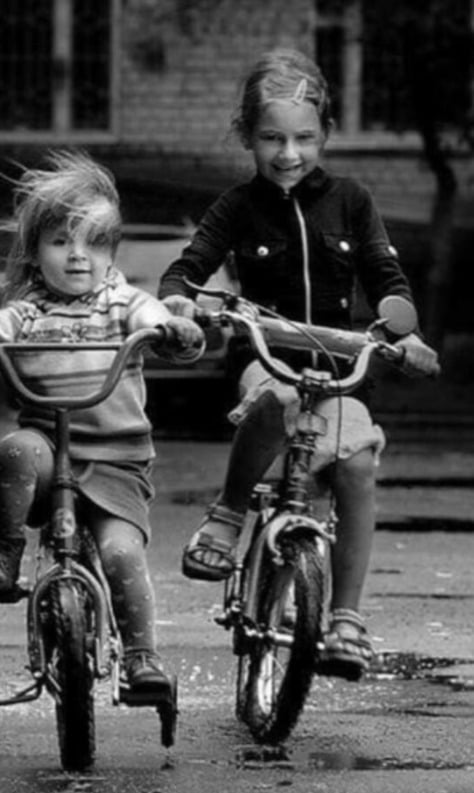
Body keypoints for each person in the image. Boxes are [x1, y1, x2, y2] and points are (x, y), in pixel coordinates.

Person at [158, 48, 439, 678]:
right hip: (268, 358)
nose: (289, 154)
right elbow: (190, 264)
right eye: (272, 138)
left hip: (341, 367)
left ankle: (346, 620)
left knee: (359, 463)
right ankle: (228, 515)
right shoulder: (236, 206)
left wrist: (405, 331)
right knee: (278, 402)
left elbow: (385, 275)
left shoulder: (351, 199)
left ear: (325, 136)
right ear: (247, 137)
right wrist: (179, 299)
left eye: (304, 139)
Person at [0, 151, 205, 694]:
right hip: (48, 452)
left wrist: (175, 333)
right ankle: (6, 554)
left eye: (94, 243)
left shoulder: (121, 304)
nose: (78, 257)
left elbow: (156, 322)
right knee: (16, 449)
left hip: (117, 459)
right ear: (33, 252)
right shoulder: (26, 313)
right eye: (60, 242)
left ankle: (142, 657)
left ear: (113, 252)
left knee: (121, 554)